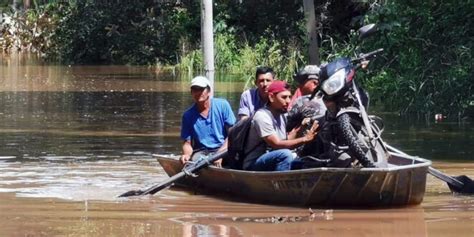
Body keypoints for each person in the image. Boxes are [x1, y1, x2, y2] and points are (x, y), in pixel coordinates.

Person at [242, 80, 319, 171]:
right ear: (271, 97)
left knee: (305, 162)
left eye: (289, 97)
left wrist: (301, 128)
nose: (288, 101)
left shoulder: (281, 115)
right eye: (284, 97)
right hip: (253, 163)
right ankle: (280, 184)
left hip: (273, 159)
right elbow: (276, 144)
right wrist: (304, 139)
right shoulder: (262, 116)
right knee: (285, 155)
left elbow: (286, 140)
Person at [180, 76, 236, 167]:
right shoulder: (187, 115)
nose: (198, 92)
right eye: (195, 89)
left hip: (224, 148)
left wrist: (219, 154)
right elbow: (187, 143)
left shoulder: (222, 105)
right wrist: (187, 154)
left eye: (201, 89)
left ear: (209, 91)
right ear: (191, 92)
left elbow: (232, 135)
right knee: (193, 162)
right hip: (202, 152)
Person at [286, 65, 327, 157]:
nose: (299, 86)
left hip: (310, 152)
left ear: (315, 83)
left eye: (302, 82)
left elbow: (286, 125)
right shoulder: (334, 99)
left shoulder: (302, 101)